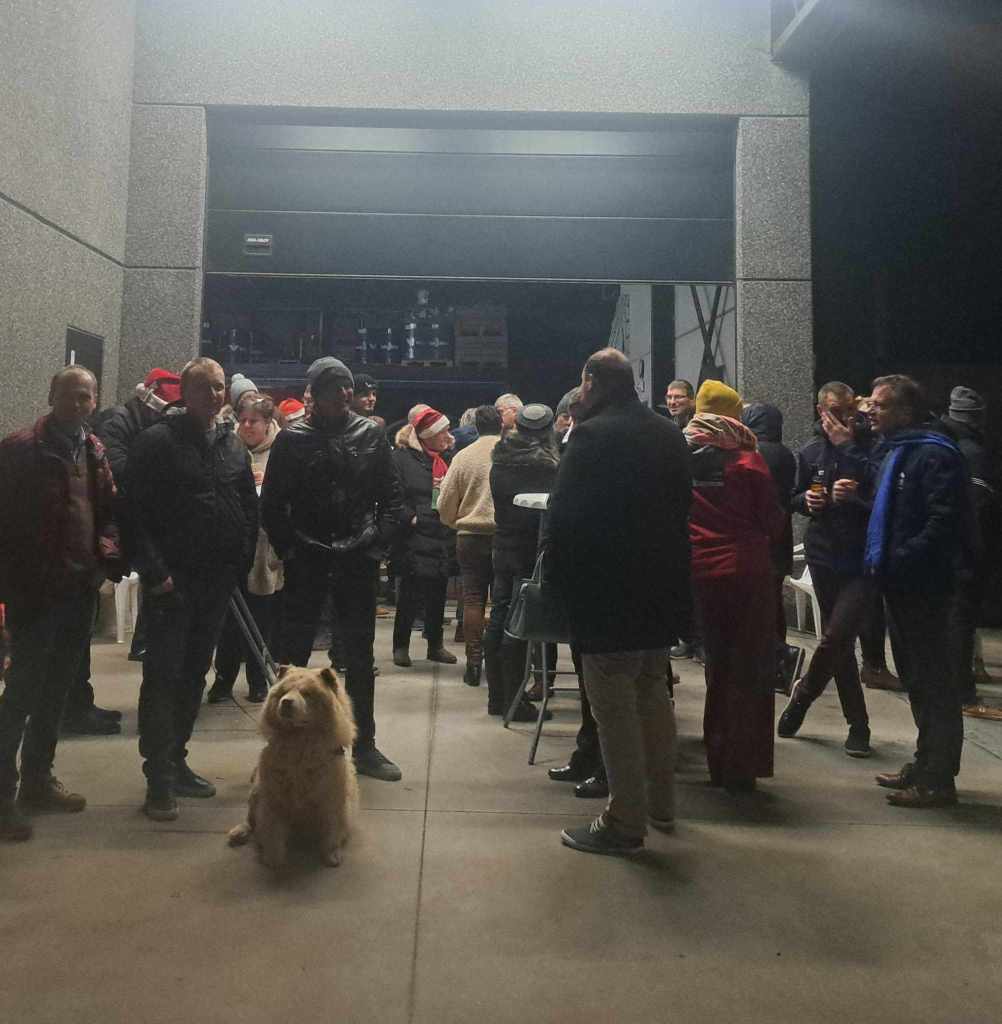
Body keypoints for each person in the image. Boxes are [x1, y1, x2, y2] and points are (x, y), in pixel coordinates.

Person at [549, 349, 691, 856]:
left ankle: (624, 821)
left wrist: (559, 587)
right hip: (660, 591)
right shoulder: (669, 433)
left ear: (592, 381)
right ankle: (662, 805)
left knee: (613, 709)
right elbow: (683, 507)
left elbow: (565, 518)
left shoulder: (590, 435)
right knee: (653, 696)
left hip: (607, 593)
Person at [129, 357, 258, 821]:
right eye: (205, 387)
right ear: (185, 392)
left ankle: (177, 759)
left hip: (216, 582)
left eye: (219, 386)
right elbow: (133, 514)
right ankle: (158, 779)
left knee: (194, 676)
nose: (215, 395)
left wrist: (240, 559)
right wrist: (155, 572)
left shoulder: (230, 444)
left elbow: (246, 504)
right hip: (172, 583)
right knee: (163, 678)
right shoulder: (157, 442)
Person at [263, 357, 403, 781]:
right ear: (315, 394)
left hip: (356, 556)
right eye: (333, 387)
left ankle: (364, 744)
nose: (343, 393)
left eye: (346, 386)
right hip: (308, 556)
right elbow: (273, 504)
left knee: (359, 656)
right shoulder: (292, 440)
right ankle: (286, 741)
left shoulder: (371, 434)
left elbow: (391, 498)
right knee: (294, 655)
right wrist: (291, 549)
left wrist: (375, 545)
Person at [0, 366, 121, 841]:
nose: (78, 404)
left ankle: (38, 781)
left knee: (57, 692)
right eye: (70, 395)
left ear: (95, 401)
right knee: (22, 694)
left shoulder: (94, 450)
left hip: (78, 592)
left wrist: (105, 555)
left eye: (86, 397)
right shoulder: (20, 450)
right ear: (52, 395)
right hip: (35, 594)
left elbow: (108, 512)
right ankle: (2, 796)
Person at [867, 376, 974, 807]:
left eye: (880, 405)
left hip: (926, 586)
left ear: (905, 412)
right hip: (900, 583)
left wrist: (900, 558)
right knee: (915, 678)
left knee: (935, 683)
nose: (870, 411)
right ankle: (925, 760)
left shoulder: (934, 454)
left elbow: (941, 523)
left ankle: (938, 779)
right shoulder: (898, 450)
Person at [686, 380, 784, 792]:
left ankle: (716, 756)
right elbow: (771, 520)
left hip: (698, 573)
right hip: (746, 573)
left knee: (717, 666)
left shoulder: (682, 457)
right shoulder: (748, 462)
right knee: (748, 668)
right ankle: (740, 766)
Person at [776, 382, 876, 756]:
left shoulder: (869, 448)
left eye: (850, 409)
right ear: (821, 411)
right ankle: (858, 724)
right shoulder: (810, 451)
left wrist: (857, 496)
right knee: (840, 644)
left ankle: (803, 695)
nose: (844, 417)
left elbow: (883, 498)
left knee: (836, 636)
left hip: (862, 558)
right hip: (823, 554)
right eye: (836, 410)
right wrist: (808, 501)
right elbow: (792, 497)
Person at [481, 404, 561, 723]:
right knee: (519, 625)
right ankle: (515, 702)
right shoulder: (548, 468)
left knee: (499, 615)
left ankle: (497, 697)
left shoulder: (500, 461)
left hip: (502, 546)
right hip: (530, 552)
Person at [206, 396, 284, 704]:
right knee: (229, 621)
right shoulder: (229, 449)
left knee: (262, 620)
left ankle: (257, 679)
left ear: (268, 423)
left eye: (254, 421)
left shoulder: (281, 451)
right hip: (234, 549)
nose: (247, 426)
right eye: (243, 420)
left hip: (265, 552)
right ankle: (223, 679)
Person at [940, 386, 1000, 715]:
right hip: (963, 553)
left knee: (955, 618)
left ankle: (959, 684)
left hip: (948, 551)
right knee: (961, 619)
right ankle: (962, 693)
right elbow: (976, 508)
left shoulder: (945, 444)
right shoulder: (971, 452)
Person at [437, 405, 503, 685]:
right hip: (504, 537)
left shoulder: (463, 457)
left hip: (469, 537)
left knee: (473, 598)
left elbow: (445, 502)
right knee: (502, 600)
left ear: (476, 427)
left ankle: (473, 664)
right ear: (501, 425)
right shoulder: (510, 453)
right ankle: (500, 663)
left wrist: (456, 522)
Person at [391, 408, 459, 668]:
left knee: (438, 592)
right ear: (427, 435)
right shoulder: (401, 458)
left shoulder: (447, 458)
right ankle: (401, 645)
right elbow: (393, 495)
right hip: (414, 534)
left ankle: (435, 644)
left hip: (441, 532)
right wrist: (411, 518)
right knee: (410, 592)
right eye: (443, 431)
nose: (447, 436)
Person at [741, 402, 800, 692]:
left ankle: (778, 659)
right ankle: (777, 660)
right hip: (779, 537)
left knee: (760, 606)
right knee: (773, 603)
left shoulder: (757, 454)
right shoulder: (784, 453)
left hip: (760, 539)